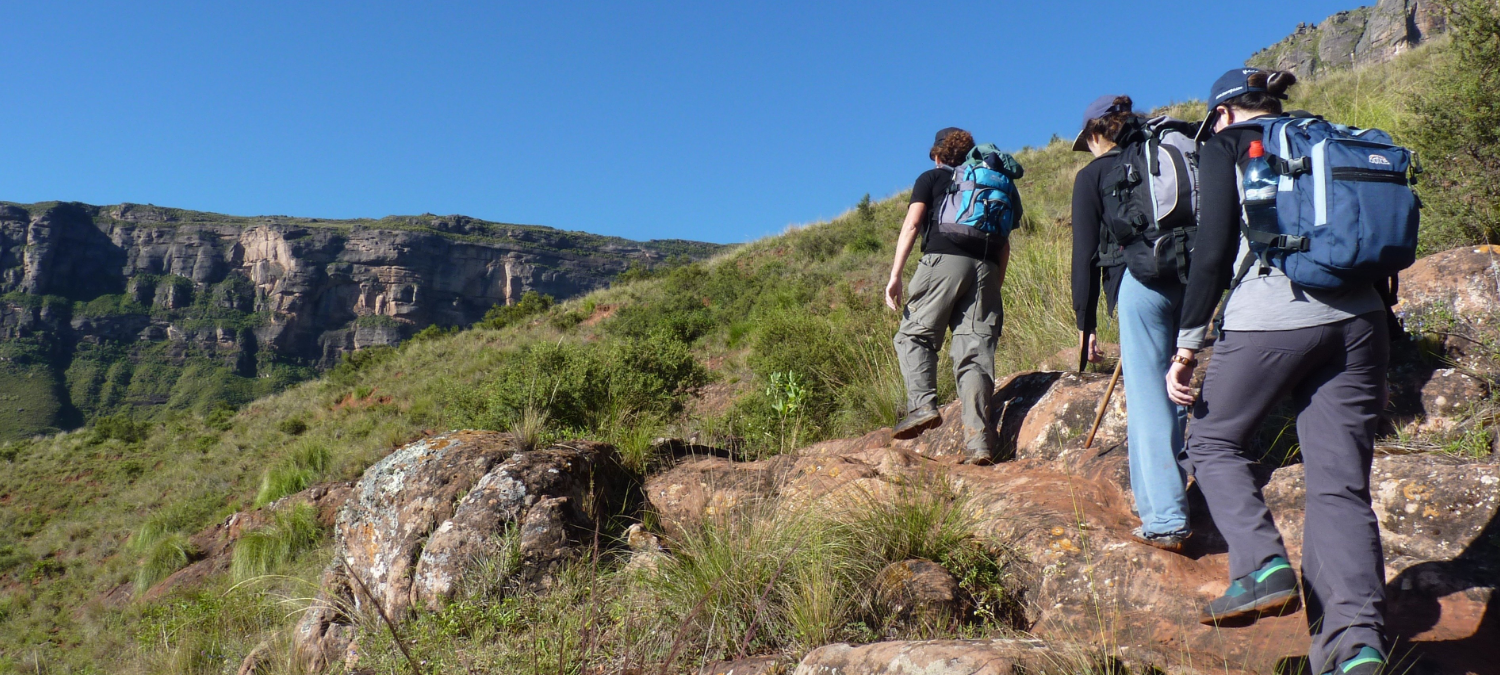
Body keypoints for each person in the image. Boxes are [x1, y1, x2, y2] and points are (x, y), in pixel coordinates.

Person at [1168, 68, 1391, 675]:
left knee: (1210, 440)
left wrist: (1187, 345)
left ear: (1222, 113)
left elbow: (1212, 252)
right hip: (1363, 321)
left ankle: (1262, 564)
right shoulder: (1326, 136)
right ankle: (1355, 652)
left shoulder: (1225, 146)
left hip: (1271, 317)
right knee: (1340, 487)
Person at [1070, 94, 1195, 553]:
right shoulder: (1163, 156)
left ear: (1095, 133)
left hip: (1142, 288)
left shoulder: (1094, 175)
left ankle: (1165, 518)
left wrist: (1085, 323)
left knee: (1149, 400)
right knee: (1179, 383)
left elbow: (1083, 255)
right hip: (1198, 278)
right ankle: (1188, 484)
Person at [884, 127, 1012, 465]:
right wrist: (992, 286)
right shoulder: (992, 180)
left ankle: (923, 406)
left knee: (913, 335)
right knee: (975, 355)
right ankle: (979, 445)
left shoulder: (931, 178)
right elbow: (1006, 244)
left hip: (943, 262)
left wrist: (895, 275)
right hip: (986, 266)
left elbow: (912, 225)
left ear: (938, 154)